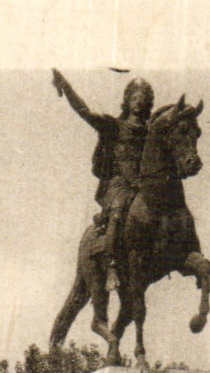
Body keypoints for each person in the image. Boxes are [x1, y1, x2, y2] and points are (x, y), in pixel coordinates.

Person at [51, 68, 155, 293]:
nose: (139, 101)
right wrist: (66, 87)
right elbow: (85, 111)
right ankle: (111, 266)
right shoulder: (114, 126)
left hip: (143, 187)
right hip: (117, 185)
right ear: (127, 101)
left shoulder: (150, 131)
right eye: (135, 97)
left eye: (144, 98)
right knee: (118, 209)